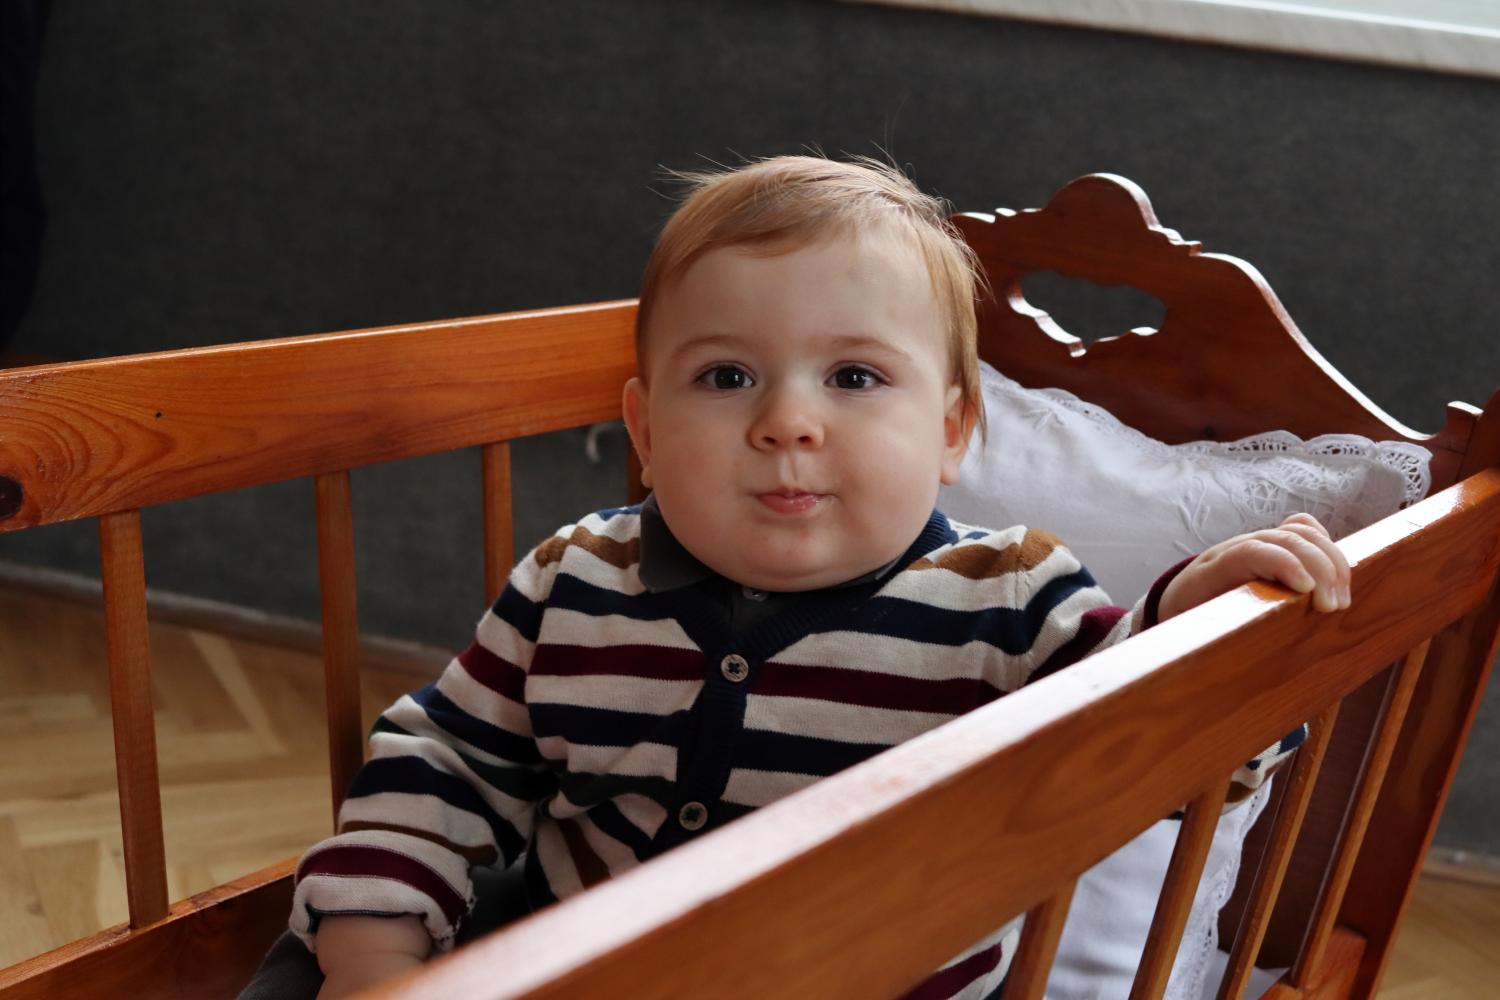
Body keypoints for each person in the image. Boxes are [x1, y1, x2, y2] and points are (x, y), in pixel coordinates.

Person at [275, 156, 1350, 1000]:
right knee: (296, 959)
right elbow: (446, 765)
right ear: (644, 429)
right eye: (726, 375)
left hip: (881, 983)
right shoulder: (576, 580)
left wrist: (1192, 620)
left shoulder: (1007, 598)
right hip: (588, 971)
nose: (787, 420)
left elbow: (1145, 742)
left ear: (951, 432)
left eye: (854, 376)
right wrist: (374, 949)